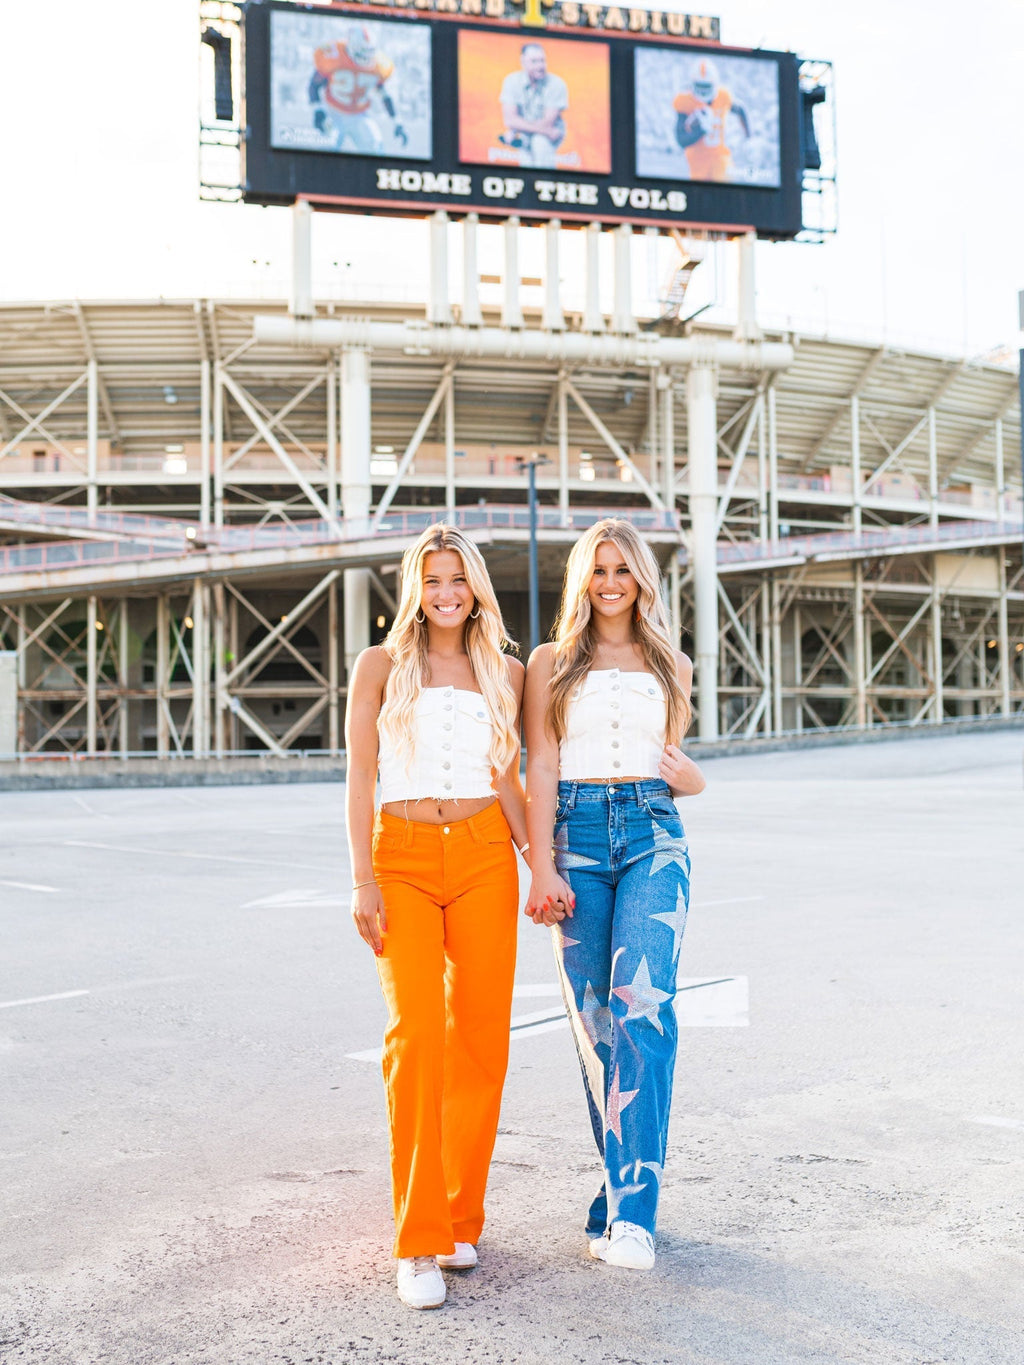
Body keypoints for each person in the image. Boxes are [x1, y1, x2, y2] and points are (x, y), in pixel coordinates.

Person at [345, 523, 533, 1311]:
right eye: (434, 580)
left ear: (477, 587)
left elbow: (512, 777)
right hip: (405, 856)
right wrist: (363, 879)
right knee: (417, 1035)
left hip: (488, 849)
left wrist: (542, 864)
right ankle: (416, 1238)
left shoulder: (509, 671)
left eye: (459, 579)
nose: (447, 593)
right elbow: (359, 775)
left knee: (482, 1036)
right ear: (415, 589)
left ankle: (459, 1217)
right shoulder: (381, 665)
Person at [524, 519, 705, 1271]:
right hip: (577, 837)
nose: (609, 581)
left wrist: (693, 779)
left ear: (642, 579)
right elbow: (538, 761)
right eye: (597, 568)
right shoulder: (550, 661)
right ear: (581, 577)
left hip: (654, 836)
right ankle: (619, 1176)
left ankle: (635, 1214)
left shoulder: (673, 662)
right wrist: (541, 864)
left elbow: (681, 765)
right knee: (598, 1025)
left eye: (623, 568)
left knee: (644, 1008)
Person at [309, 22, 407, 155]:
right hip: (333, 112)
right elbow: (314, 85)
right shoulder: (334, 55)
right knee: (326, 150)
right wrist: (318, 110)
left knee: (376, 149)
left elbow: (384, 95)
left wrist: (397, 122)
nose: (366, 58)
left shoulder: (379, 65)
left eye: (369, 52)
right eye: (362, 53)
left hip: (359, 115)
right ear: (351, 48)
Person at [673, 57, 749, 182]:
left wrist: (748, 136)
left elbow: (740, 109)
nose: (703, 91)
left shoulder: (723, 96)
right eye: (699, 85)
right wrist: (701, 130)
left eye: (706, 86)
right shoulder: (685, 102)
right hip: (697, 162)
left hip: (720, 156)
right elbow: (681, 140)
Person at [498, 42, 568, 169]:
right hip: (530, 134)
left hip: (549, 136)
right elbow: (510, 120)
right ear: (523, 62)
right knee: (526, 162)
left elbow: (548, 122)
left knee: (539, 142)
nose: (540, 66)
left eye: (542, 61)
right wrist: (515, 129)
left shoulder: (556, 84)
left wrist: (517, 128)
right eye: (534, 61)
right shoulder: (511, 81)